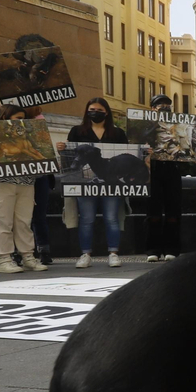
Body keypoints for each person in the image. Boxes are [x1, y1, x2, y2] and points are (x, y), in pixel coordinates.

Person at [0, 105, 48, 274]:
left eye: (23, 119)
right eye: (18, 118)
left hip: (26, 183)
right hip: (1, 183)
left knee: (23, 222)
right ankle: (4, 260)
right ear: (5, 118)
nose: (21, 122)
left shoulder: (28, 136)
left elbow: (38, 155)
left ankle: (28, 257)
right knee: (1, 221)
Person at [65, 97, 128, 268]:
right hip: (85, 185)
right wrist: (62, 148)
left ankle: (113, 253)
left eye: (100, 110)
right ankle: (85, 254)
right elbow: (70, 157)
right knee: (86, 218)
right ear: (86, 111)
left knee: (111, 218)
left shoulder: (118, 133)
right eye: (92, 109)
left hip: (111, 183)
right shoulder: (77, 131)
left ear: (107, 112)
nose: (95, 112)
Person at [141, 94, 185, 262]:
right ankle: (153, 248)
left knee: (173, 210)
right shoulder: (146, 124)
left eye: (167, 106)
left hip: (172, 169)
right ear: (152, 108)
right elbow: (138, 142)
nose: (164, 108)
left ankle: (172, 248)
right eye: (160, 106)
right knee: (153, 211)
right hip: (152, 171)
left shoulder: (177, 123)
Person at [28, 107, 56, 265]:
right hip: (20, 177)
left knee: (39, 215)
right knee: (22, 218)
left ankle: (44, 250)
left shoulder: (39, 118)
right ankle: (21, 252)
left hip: (40, 174)